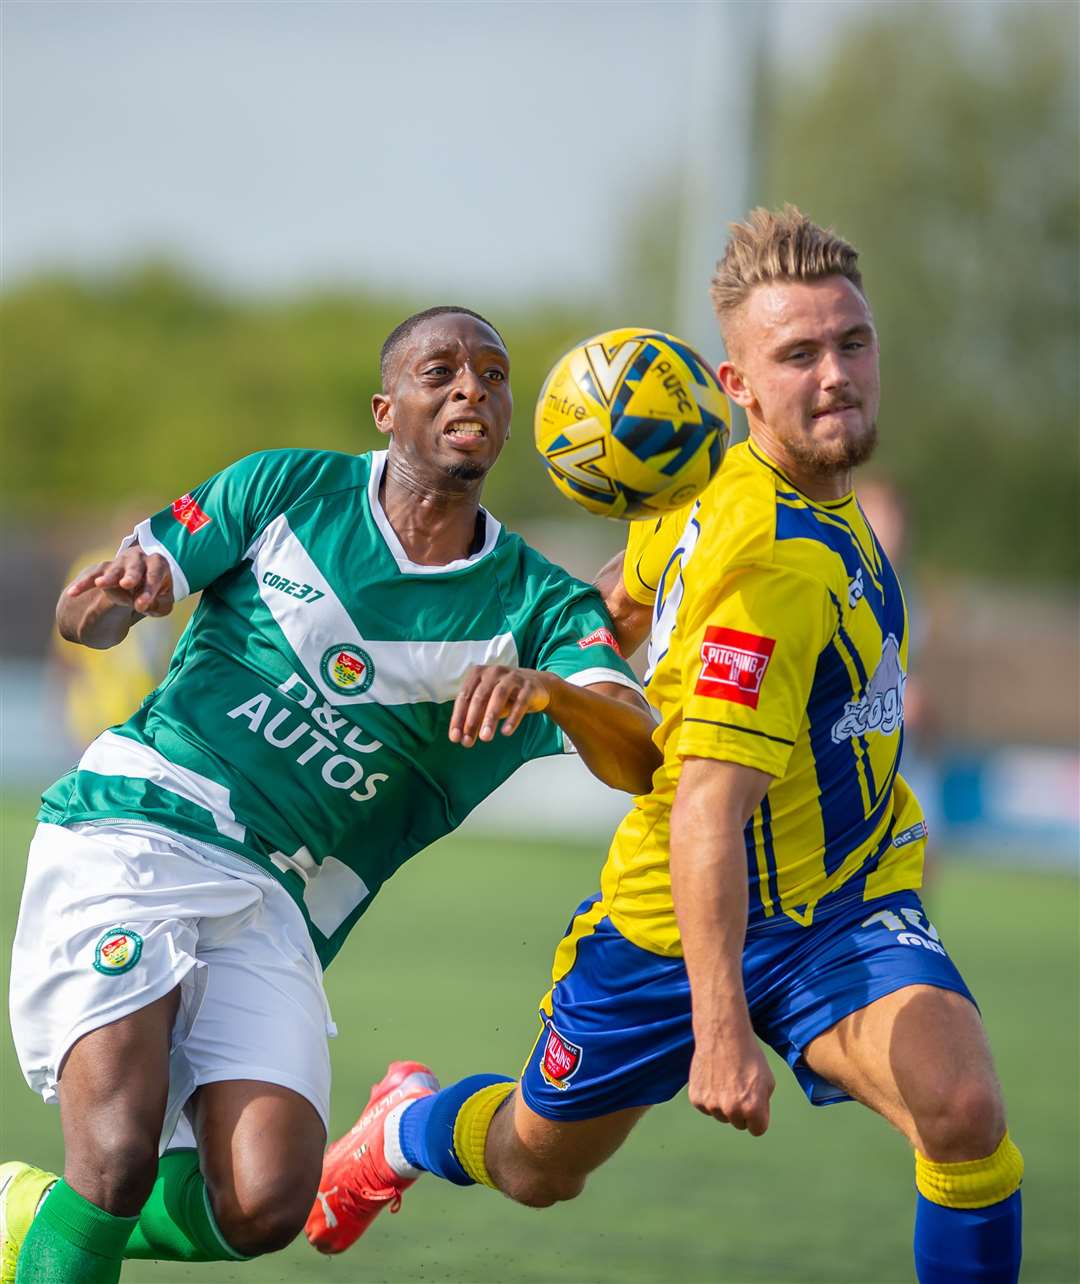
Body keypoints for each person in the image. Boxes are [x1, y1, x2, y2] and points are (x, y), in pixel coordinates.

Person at [306, 212, 1023, 1284]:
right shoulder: (769, 576)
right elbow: (704, 811)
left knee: (960, 1109)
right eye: (798, 356)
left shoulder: (711, 482)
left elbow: (622, 600)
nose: (836, 376)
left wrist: (583, 650)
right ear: (738, 384)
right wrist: (721, 1028)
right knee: (537, 1166)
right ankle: (406, 1128)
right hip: (672, 922)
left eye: (852, 343)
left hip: (843, 903)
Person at [0, 305, 660, 1284]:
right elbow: (84, 618)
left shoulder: (537, 606)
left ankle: (26, 1220)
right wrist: (112, 596)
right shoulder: (288, 486)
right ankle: (70, 1225)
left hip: (276, 903)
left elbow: (638, 755)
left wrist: (553, 689)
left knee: (264, 1201)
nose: (471, 386)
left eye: (491, 372)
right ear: (387, 409)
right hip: (140, 830)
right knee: (120, 1150)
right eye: (441, 371)